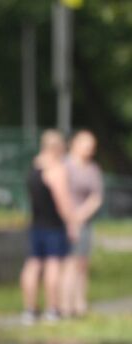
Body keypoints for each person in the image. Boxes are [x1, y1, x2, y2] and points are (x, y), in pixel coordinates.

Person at [19, 129, 76, 322]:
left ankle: (30, 309)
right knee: (53, 265)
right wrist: (71, 223)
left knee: (33, 264)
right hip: (53, 225)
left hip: (36, 224)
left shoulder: (34, 167)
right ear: (57, 147)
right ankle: (53, 309)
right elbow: (63, 202)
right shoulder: (56, 170)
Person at [63, 129, 104, 317]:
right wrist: (71, 216)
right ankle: (65, 304)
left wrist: (80, 215)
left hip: (84, 221)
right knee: (67, 263)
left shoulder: (92, 169)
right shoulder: (64, 165)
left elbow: (96, 197)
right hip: (63, 220)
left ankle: (80, 303)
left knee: (82, 263)